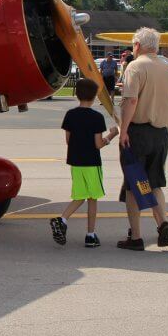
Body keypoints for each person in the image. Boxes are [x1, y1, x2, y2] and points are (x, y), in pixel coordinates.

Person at [118, 27, 168, 250]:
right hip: (161, 133)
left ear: (137, 45)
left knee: (134, 184)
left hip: (138, 132)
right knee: (155, 182)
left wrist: (123, 131)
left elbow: (131, 101)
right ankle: (163, 223)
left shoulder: (135, 66)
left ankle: (136, 236)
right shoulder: (167, 68)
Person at [50, 78, 118, 247]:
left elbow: (68, 140)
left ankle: (63, 219)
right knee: (92, 198)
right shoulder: (96, 117)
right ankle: (90, 235)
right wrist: (111, 135)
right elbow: (98, 144)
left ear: (77, 94)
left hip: (75, 162)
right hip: (91, 162)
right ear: (95, 96)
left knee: (79, 195)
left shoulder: (70, 115)